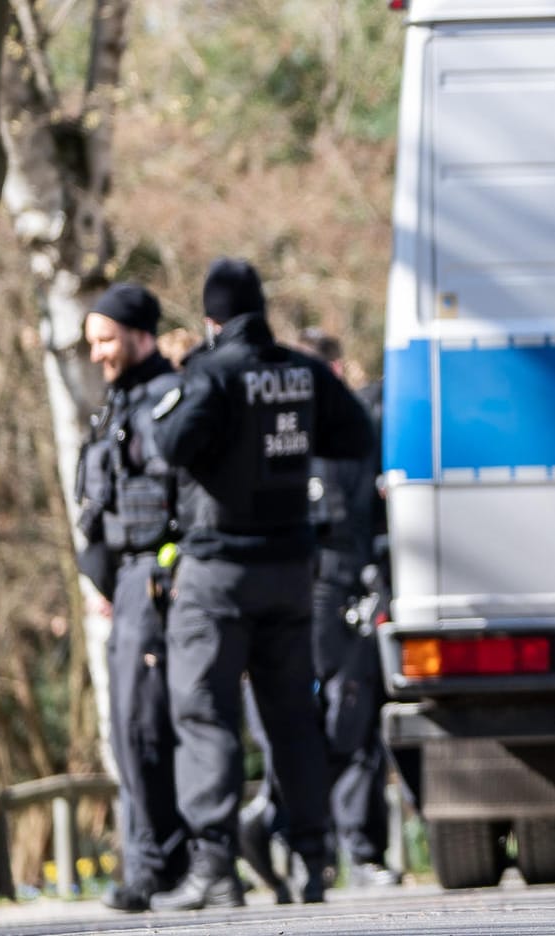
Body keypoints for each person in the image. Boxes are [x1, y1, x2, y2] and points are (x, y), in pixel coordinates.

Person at [146, 258, 375, 911]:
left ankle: (216, 866)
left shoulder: (211, 373)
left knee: (206, 713)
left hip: (219, 572)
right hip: (291, 572)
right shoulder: (302, 372)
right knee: (293, 717)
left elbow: (171, 444)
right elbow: (356, 433)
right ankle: (312, 860)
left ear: (211, 319)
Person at [237, 330, 397, 896]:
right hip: (310, 581)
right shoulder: (286, 432)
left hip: (346, 578)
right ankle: (285, 821)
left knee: (350, 724)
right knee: (322, 721)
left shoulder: (358, 428)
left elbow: (377, 512)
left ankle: (328, 840)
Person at [72, 282, 191, 911]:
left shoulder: (167, 402)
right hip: (125, 584)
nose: (96, 355)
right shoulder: (115, 406)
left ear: (141, 336)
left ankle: (157, 864)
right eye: (91, 342)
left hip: (157, 580)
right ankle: (162, 857)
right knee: (128, 726)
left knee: (142, 725)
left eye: (106, 340)